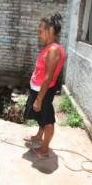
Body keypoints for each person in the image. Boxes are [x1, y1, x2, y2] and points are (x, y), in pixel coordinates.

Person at [23, 13, 65, 158]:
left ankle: (45, 149)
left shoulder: (53, 50)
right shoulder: (49, 47)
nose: (38, 34)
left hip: (44, 91)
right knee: (41, 117)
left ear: (50, 31)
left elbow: (48, 78)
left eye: (40, 31)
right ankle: (39, 136)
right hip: (39, 89)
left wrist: (39, 99)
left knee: (47, 120)